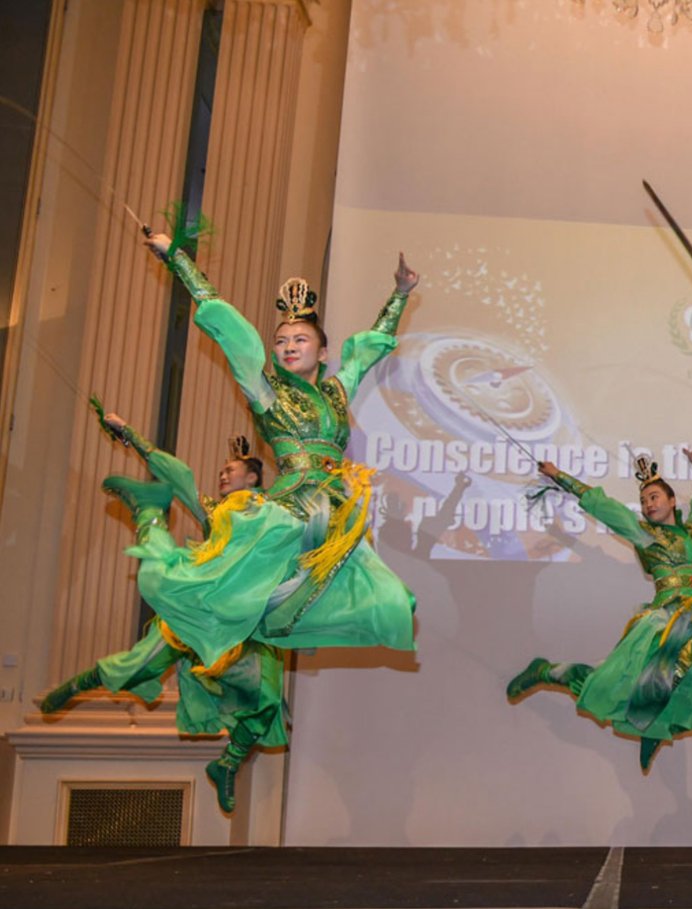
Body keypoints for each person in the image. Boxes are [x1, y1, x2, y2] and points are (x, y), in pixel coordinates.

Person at [108, 227, 419, 669]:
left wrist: (401, 293)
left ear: (323, 352)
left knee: (395, 603)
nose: (289, 347)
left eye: (300, 341)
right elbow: (230, 334)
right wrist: (176, 258)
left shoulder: (335, 392)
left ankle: (267, 609)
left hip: (335, 515)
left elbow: (364, 356)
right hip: (290, 512)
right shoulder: (266, 391)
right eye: (281, 342)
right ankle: (151, 518)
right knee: (228, 593)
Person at [42, 415, 287, 813]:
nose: (222, 475)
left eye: (231, 470)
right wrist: (130, 436)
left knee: (268, 696)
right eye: (222, 471)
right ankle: (81, 683)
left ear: (253, 479)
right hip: (197, 605)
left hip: (240, 620)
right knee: (146, 662)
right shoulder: (214, 510)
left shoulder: (271, 513)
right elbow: (179, 474)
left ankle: (226, 763)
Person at [507, 450, 692, 770]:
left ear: (672, 501)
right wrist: (559, 475)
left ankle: (657, 726)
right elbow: (604, 507)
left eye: (654, 496)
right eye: (644, 501)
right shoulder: (643, 533)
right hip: (666, 623)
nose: (649, 504)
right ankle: (546, 671)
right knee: (613, 686)